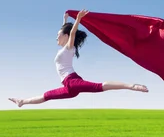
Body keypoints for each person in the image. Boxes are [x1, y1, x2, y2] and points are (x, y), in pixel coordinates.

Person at [9, 9, 149, 107]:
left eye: (58, 35)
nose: (56, 37)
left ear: (65, 36)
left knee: (100, 87)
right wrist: (65, 19)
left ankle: (132, 86)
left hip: (73, 82)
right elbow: (67, 31)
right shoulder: (65, 49)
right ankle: (22, 102)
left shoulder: (69, 47)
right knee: (46, 97)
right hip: (68, 86)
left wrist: (78, 20)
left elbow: (72, 32)